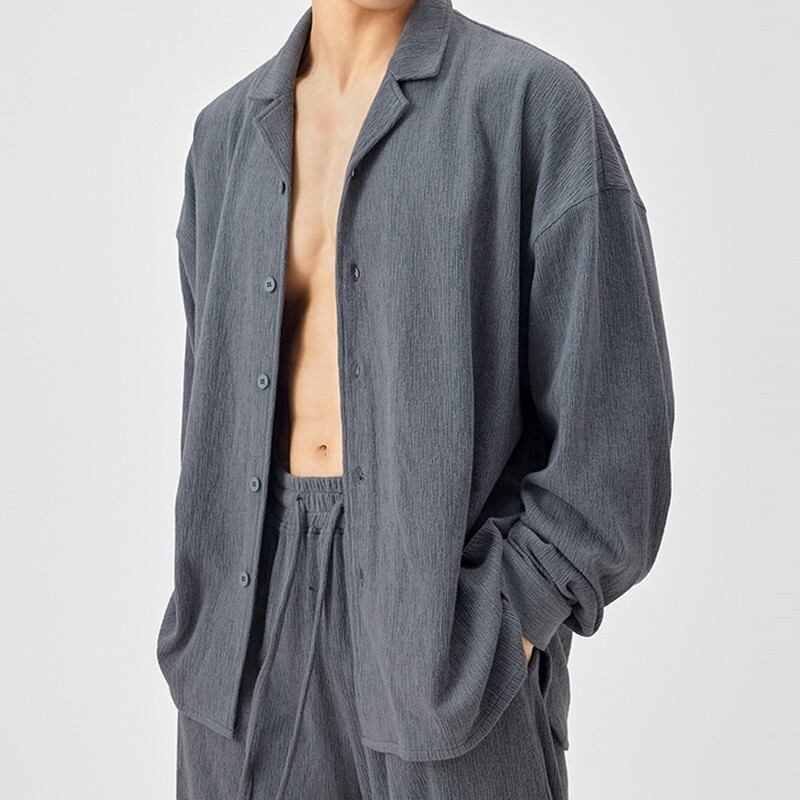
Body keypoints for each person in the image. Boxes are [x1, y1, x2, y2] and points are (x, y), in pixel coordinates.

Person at [156, 1, 675, 798]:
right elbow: (209, 411)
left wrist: (507, 618)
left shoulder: (533, 105)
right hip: (240, 648)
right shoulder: (222, 138)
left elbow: (616, 448)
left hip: (444, 636)